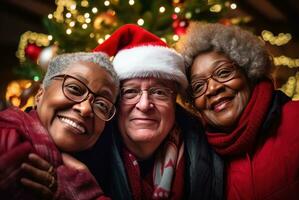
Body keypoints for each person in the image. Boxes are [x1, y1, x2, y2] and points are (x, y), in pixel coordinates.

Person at [89, 24, 224, 200]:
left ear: (174, 101)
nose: (144, 105)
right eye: (130, 92)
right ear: (115, 101)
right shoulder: (87, 153)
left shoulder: (213, 153)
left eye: (159, 92)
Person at [176, 22, 299, 200]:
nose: (213, 88)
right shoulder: (200, 160)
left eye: (223, 73)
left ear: (249, 71)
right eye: (198, 86)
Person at [0, 52, 119, 200]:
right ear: (39, 94)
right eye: (75, 89)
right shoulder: (7, 137)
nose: (86, 109)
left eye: (101, 105)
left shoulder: (105, 169)